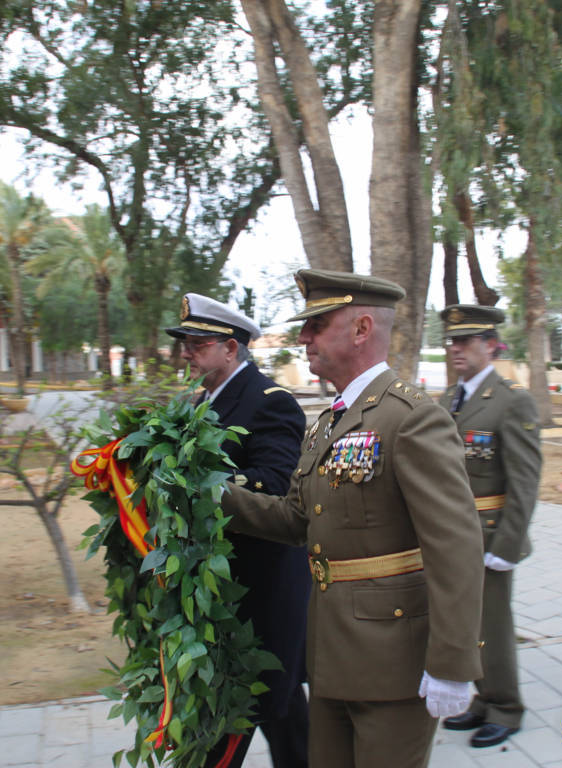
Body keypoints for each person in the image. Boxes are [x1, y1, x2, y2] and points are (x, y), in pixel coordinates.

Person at [219, 269, 485, 768]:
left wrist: (453, 663)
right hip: (330, 653)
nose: (304, 337)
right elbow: (296, 520)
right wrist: (213, 495)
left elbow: (456, 547)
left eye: (317, 325)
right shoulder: (328, 423)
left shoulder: (410, 417)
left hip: (393, 662)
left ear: (362, 329)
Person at [165, 293, 311, 768]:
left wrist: (198, 485)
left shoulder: (271, 402)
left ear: (231, 348)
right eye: (184, 343)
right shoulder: (198, 402)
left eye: (197, 344)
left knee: (244, 708)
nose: (186, 353)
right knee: (281, 711)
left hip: (260, 588)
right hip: (223, 586)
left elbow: (276, 485)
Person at [436, 305, 541, 749]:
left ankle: (506, 707)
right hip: (452, 534)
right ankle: (483, 698)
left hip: (490, 532)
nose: (456, 349)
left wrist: (508, 544)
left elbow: (525, 479)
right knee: (467, 624)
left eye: (466, 341)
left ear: (491, 345)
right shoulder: (449, 398)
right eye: (452, 341)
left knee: (493, 626)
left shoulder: (511, 399)